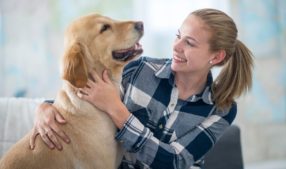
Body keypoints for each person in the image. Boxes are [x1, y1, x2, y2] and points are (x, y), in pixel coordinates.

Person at [29, 8, 253, 169]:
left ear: (216, 56)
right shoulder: (139, 69)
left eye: (190, 43)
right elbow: (86, 97)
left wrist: (117, 110)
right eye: (178, 36)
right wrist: (45, 108)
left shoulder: (222, 109)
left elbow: (175, 161)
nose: (176, 46)